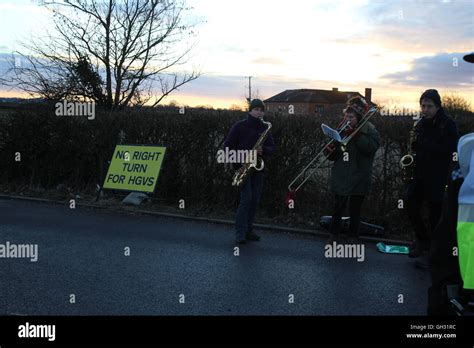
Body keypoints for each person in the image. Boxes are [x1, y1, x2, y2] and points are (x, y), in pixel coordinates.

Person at [405, 90, 459, 266]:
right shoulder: (420, 124)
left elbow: (452, 150)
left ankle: (435, 251)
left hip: (438, 176)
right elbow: (417, 146)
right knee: (409, 202)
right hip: (419, 173)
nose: (425, 110)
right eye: (423, 106)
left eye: (429, 106)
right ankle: (423, 241)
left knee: (435, 214)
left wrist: (425, 145)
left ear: (438, 106)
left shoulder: (448, 124)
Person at [325, 96, 380, 243]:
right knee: (338, 207)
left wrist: (356, 136)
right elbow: (334, 155)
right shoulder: (341, 129)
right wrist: (329, 150)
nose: (347, 119)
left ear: (359, 117)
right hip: (342, 175)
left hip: (359, 175)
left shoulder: (370, 130)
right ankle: (333, 234)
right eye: (346, 116)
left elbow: (370, 148)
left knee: (355, 209)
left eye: (351, 117)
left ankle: (353, 236)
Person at [223, 99, 276, 244]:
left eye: (261, 110)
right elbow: (227, 147)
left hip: (258, 169)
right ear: (250, 110)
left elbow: (272, 147)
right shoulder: (239, 126)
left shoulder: (265, 128)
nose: (259, 112)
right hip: (243, 168)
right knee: (246, 200)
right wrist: (242, 158)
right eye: (256, 109)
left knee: (254, 200)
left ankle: (249, 230)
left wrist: (263, 150)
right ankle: (240, 233)